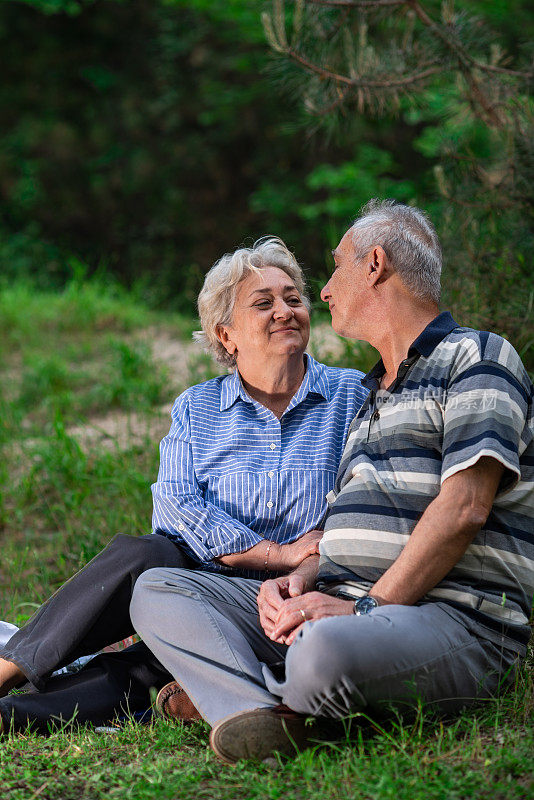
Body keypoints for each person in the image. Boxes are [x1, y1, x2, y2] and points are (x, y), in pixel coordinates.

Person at [130, 199, 534, 763]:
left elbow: (464, 507)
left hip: (449, 614)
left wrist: (365, 608)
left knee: (322, 653)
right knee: (156, 590)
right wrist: (299, 578)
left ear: (374, 265)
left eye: (336, 266)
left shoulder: (477, 357)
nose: (321, 292)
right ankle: (265, 712)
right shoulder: (370, 396)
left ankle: (250, 696)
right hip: (340, 604)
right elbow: (348, 527)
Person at [0, 237, 368, 733]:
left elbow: (359, 508)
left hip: (304, 597)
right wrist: (274, 553)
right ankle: (9, 674)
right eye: (264, 303)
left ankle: (15, 715)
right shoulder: (196, 409)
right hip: (201, 588)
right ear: (226, 335)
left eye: (293, 298)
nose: (285, 311)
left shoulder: (352, 397)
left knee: (143, 669)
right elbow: (174, 511)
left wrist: (299, 568)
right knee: (149, 555)